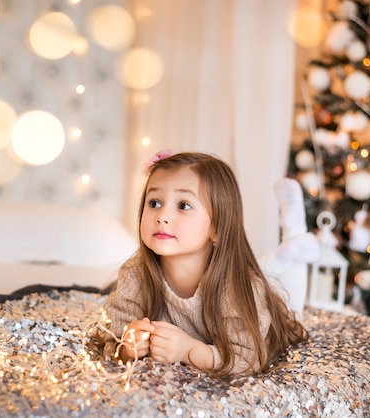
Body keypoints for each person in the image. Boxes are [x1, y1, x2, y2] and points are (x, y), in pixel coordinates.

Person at [101, 151, 309, 378]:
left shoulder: (239, 287)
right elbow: (111, 334)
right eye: (155, 202)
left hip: (272, 318)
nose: (162, 216)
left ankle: (295, 235)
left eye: (183, 205)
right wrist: (127, 347)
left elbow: (247, 361)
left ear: (217, 228)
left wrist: (189, 350)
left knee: (287, 299)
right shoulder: (135, 273)